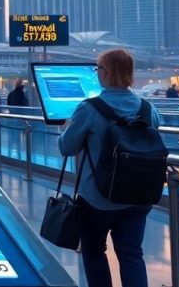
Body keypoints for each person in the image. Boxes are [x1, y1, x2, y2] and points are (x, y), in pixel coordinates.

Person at [59, 49, 161, 287]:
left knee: (94, 252)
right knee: (132, 255)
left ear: (105, 72)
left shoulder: (89, 108)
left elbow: (67, 147)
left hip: (98, 198)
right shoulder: (148, 109)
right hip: (140, 197)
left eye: (98, 69)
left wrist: (63, 129)